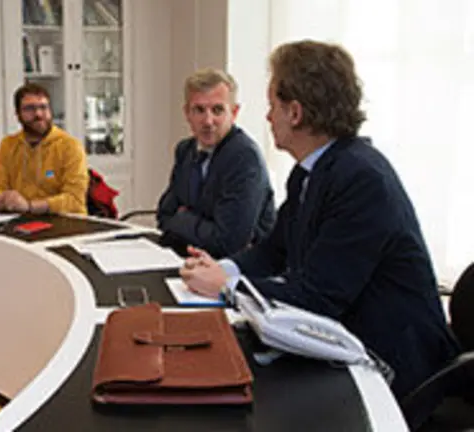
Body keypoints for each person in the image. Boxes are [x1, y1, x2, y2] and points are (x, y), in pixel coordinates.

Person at [180, 40, 459, 414]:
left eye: (272, 106)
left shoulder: (362, 178)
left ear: (294, 112)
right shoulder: (309, 172)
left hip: (396, 369)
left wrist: (227, 286)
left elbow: (319, 296)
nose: (267, 117)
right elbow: (273, 250)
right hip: (343, 344)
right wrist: (223, 269)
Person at [157, 68, 275, 257]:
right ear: (187, 113)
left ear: (234, 113)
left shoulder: (244, 158)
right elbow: (164, 215)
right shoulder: (185, 150)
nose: (208, 121)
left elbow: (229, 242)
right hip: (191, 260)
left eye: (218, 110)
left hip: (241, 272)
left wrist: (183, 218)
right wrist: (202, 224)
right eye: (199, 110)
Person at [0, 83, 88, 215]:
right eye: (29, 108)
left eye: (43, 107)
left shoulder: (70, 146)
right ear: (17, 114)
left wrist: (30, 206)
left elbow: (74, 200)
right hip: (21, 218)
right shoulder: (8, 145)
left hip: (65, 221)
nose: (38, 114)